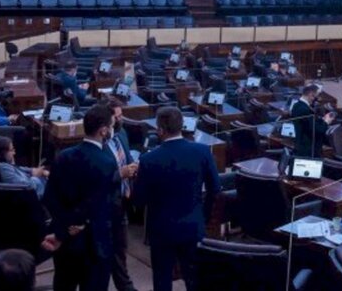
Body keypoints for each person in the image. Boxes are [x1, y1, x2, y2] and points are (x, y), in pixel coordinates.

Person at [134, 106, 221, 291]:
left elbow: (139, 199)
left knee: (162, 280)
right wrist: (203, 215)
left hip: (161, 229)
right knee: (194, 279)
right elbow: (215, 189)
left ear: (160, 129)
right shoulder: (203, 151)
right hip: (193, 225)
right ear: (182, 126)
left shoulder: (148, 160)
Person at [42, 104, 120, 291]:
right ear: (103, 131)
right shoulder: (107, 163)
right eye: (111, 126)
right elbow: (100, 205)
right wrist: (80, 224)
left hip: (63, 240)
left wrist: (63, 229)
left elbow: (49, 198)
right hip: (94, 243)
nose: (112, 130)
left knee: (64, 284)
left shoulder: (63, 156)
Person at [101, 99, 139, 291]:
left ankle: (124, 285)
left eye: (121, 115)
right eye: (117, 117)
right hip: (106, 204)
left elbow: (129, 159)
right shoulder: (99, 142)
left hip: (123, 199)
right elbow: (97, 177)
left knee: (120, 248)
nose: (121, 119)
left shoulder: (122, 133)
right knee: (111, 250)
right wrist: (120, 174)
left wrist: (134, 168)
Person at [290, 84, 335, 157]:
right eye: (315, 97)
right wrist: (327, 121)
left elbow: (308, 124)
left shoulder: (296, 105)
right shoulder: (305, 110)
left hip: (300, 144)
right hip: (308, 149)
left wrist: (322, 120)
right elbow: (317, 130)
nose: (316, 100)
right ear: (311, 95)